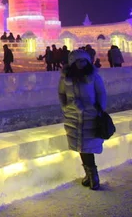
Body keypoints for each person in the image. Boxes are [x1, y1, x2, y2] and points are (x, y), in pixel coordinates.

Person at [58, 50, 107, 190]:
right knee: (81, 146)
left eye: (84, 61)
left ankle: (92, 177)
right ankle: (91, 176)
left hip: (90, 115)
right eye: (78, 61)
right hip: (73, 116)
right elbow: (61, 93)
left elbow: (101, 93)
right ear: (73, 62)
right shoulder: (65, 78)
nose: (81, 64)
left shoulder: (93, 77)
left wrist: (100, 109)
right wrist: (65, 107)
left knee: (87, 147)